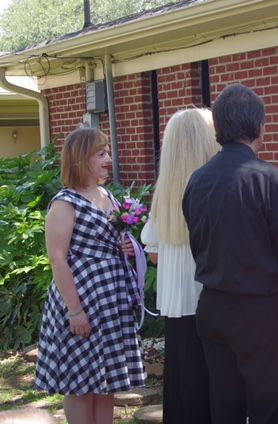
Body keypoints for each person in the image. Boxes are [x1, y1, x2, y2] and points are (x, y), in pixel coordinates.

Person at [182, 83, 278, 423]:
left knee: (225, 408)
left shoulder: (197, 180)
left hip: (213, 306)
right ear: (259, 126)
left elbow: (198, 243)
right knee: (270, 409)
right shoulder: (269, 179)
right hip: (260, 312)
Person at [35, 127, 146, 424]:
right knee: (80, 382)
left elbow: (107, 240)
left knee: (106, 379)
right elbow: (58, 259)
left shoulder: (106, 194)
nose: (108, 158)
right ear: (81, 158)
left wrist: (127, 246)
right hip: (82, 300)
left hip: (110, 301)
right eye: (101, 153)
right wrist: (75, 311)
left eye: (108, 152)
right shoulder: (64, 202)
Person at [140, 108, 218, 423]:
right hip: (211, 299)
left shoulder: (166, 194)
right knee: (213, 387)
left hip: (176, 305)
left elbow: (153, 251)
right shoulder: (214, 188)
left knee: (183, 387)